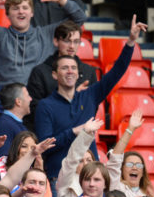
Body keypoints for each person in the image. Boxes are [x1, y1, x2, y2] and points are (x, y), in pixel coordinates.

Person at [35, 16, 146, 182]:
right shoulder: (45, 106)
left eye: (73, 68)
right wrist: (74, 131)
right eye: (64, 68)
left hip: (90, 178)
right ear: (54, 74)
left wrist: (130, 42)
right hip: (59, 178)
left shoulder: (89, 96)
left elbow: (117, 72)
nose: (70, 71)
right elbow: (45, 146)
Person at [0, 0, 88, 115]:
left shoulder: (46, 34)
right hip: (3, 104)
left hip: (36, 102)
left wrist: (63, 0)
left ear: (32, 13)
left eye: (25, 8)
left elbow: (80, 18)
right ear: (7, 14)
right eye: (15, 8)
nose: (21, 11)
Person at [25, 21, 98, 126]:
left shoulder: (89, 72)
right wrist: (69, 99)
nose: (72, 46)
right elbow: (34, 109)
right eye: (67, 41)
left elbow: (93, 107)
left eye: (76, 41)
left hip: (80, 131)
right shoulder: (40, 71)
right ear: (56, 41)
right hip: (50, 132)